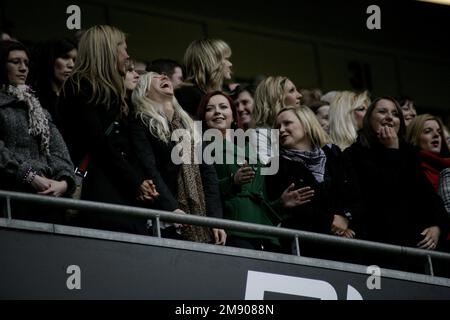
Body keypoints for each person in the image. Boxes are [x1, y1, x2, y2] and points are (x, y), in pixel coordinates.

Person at [59, 25, 157, 234]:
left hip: (119, 191)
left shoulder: (113, 95)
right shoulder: (80, 87)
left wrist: (139, 181)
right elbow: (99, 144)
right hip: (98, 193)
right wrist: (134, 181)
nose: (127, 55)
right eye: (123, 49)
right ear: (108, 51)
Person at [197, 91, 309, 252]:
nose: (218, 112)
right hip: (233, 230)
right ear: (203, 116)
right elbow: (202, 191)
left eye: (223, 107)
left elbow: (260, 197)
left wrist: (281, 204)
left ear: (233, 116)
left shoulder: (249, 147)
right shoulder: (201, 146)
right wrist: (232, 181)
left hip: (267, 232)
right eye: (210, 109)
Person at [130, 72, 226, 244]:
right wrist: (172, 208)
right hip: (164, 219)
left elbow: (208, 175)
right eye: (156, 76)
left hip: (198, 221)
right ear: (144, 91)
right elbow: (149, 168)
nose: (163, 76)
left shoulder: (189, 125)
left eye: (164, 75)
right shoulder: (141, 122)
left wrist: (215, 219)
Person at [343, 97, 448, 252]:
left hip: (416, 247)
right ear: (369, 119)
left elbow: (428, 197)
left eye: (395, 114)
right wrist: (391, 151)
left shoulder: (411, 154)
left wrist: (437, 226)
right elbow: (381, 196)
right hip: (379, 245)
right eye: (382, 112)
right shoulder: (354, 154)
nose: (389, 117)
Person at [0, 40, 75, 223]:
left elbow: (60, 153)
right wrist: (28, 175)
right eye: (15, 62)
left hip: (47, 199)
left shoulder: (37, 108)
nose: (23, 68)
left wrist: (63, 183)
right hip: (11, 197)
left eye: (26, 63)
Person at [266, 106, 358, 253]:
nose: (281, 130)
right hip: (305, 247)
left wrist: (345, 218)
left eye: (287, 123)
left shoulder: (334, 155)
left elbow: (354, 194)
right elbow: (299, 208)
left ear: (306, 124)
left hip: (346, 245)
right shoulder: (275, 165)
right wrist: (331, 221)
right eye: (277, 127)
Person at [175, 38, 232, 117]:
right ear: (212, 62)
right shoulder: (188, 95)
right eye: (226, 59)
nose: (230, 64)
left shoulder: (219, 94)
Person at [251, 76, 302, 164]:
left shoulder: (303, 126)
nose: (299, 95)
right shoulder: (261, 135)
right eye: (292, 91)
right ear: (276, 98)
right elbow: (268, 170)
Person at [33, 38, 77, 128]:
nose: (71, 65)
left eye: (75, 60)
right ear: (50, 59)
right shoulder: (34, 99)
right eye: (65, 57)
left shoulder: (77, 98)